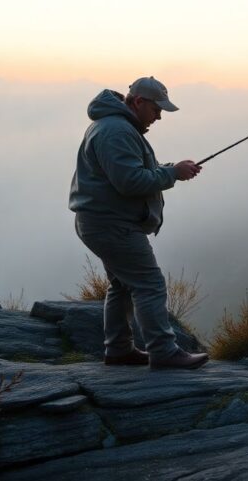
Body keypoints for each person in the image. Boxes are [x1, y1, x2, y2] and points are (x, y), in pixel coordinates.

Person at [69, 76, 209, 369]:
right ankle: (164, 352)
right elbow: (130, 181)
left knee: (122, 285)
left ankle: (118, 350)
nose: (159, 116)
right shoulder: (116, 131)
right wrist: (173, 175)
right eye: (157, 109)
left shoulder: (115, 126)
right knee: (149, 285)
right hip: (113, 225)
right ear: (138, 102)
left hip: (101, 222)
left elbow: (134, 169)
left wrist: (171, 169)